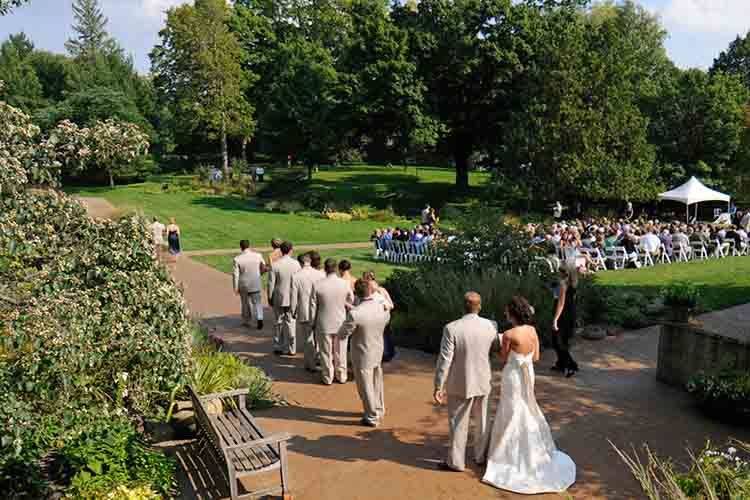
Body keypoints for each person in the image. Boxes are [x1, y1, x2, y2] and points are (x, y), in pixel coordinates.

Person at [482, 296, 576, 494]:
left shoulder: (508, 334)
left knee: (511, 410)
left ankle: (505, 456)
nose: (505, 314)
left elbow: (503, 359)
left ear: (513, 313)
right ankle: (530, 451)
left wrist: (500, 342)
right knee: (525, 407)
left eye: (507, 311)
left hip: (514, 375)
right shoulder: (532, 330)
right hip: (528, 372)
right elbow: (537, 357)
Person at [434, 292, 498, 472]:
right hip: (483, 378)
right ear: (480, 306)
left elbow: (445, 360)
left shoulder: (452, 328)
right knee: (483, 421)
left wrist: (439, 385)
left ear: (463, 306)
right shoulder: (491, 326)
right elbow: (495, 349)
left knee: (458, 422)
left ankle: (456, 461)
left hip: (460, 381)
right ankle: (480, 456)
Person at [338, 279, 391, 427]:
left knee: (365, 386)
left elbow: (343, 334)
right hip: (377, 348)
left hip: (362, 353)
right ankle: (379, 408)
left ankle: (371, 416)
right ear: (370, 291)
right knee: (377, 382)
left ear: (357, 294)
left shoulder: (356, 314)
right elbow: (386, 319)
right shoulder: (381, 306)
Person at [311, 258, 354, 385]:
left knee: (325, 352)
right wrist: (343, 305)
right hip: (340, 321)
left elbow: (313, 306)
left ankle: (327, 376)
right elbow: (350, 299)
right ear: (335, 268)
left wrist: (313, 322)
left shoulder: (318, 285)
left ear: (325, 268)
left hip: (323, 321)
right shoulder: (344, 284)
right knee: (340, 351)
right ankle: (341, 376)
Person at [291, 251, 326, 371]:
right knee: (320, 338)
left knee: (308, 338)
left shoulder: (296, 276)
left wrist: (293, 310)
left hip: (304, 311)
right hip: (320, 310)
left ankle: (310, 364)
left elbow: (294, 297)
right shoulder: (320, 274)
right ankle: (320, 360)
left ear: (300, 263)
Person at [268, 241, 301, 355]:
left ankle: (278, 346)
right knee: (291, 322)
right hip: (292, 298)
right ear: (291, 250)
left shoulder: (275, 265)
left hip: (279, 297)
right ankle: (292, 348)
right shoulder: (296, 264)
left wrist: (270, 296)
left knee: (278, 322)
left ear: (281, 251)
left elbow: (271, 283)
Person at [552, 263, 579, 377]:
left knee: (558, 341)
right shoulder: (573, 284)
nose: (558, 273)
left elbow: (561, 303)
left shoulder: (563, 285)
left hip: (563, 315)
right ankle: (561, 363)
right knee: (561, 340)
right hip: (571, 313)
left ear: (565, 274)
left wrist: (555, 319)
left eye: (560, 272)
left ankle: (570, 365)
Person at [363, 271, 396, 362]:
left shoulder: (378, 290)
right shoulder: (382, 289)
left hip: (380, 318)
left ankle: (383, 354)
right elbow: (392, 305)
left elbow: (391, 305)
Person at [233, 240, 266, 329]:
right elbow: (264, 267)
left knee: (245, 303)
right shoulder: (258, 255)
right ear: (249, 245)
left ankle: (247, 321)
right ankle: (260, 318)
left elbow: (236, 275)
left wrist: (235, 287)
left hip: (244, 284)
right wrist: (260, 274)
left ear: (241, 247)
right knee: (258, 303)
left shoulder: (237, 259)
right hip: (256, 283)